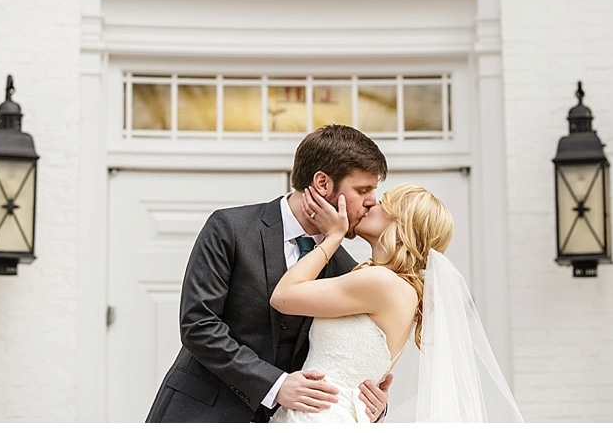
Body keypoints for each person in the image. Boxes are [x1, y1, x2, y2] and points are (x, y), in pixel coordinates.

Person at [145, 124, 393, 423]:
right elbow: (199, 324)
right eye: (363, 190)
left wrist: (370, 406)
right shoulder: (230, 228)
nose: (372, 202)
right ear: (322, 183)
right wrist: (274, 385)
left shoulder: (345, 269)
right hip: (199, 414)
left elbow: (342, 355)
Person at [269, 183, 524, 423]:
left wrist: (333, 237)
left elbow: (283, 297)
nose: (370, 205)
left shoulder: (381, 283)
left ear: (401, 222)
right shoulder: (403, 290)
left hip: (319, 417)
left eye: (382, 202)